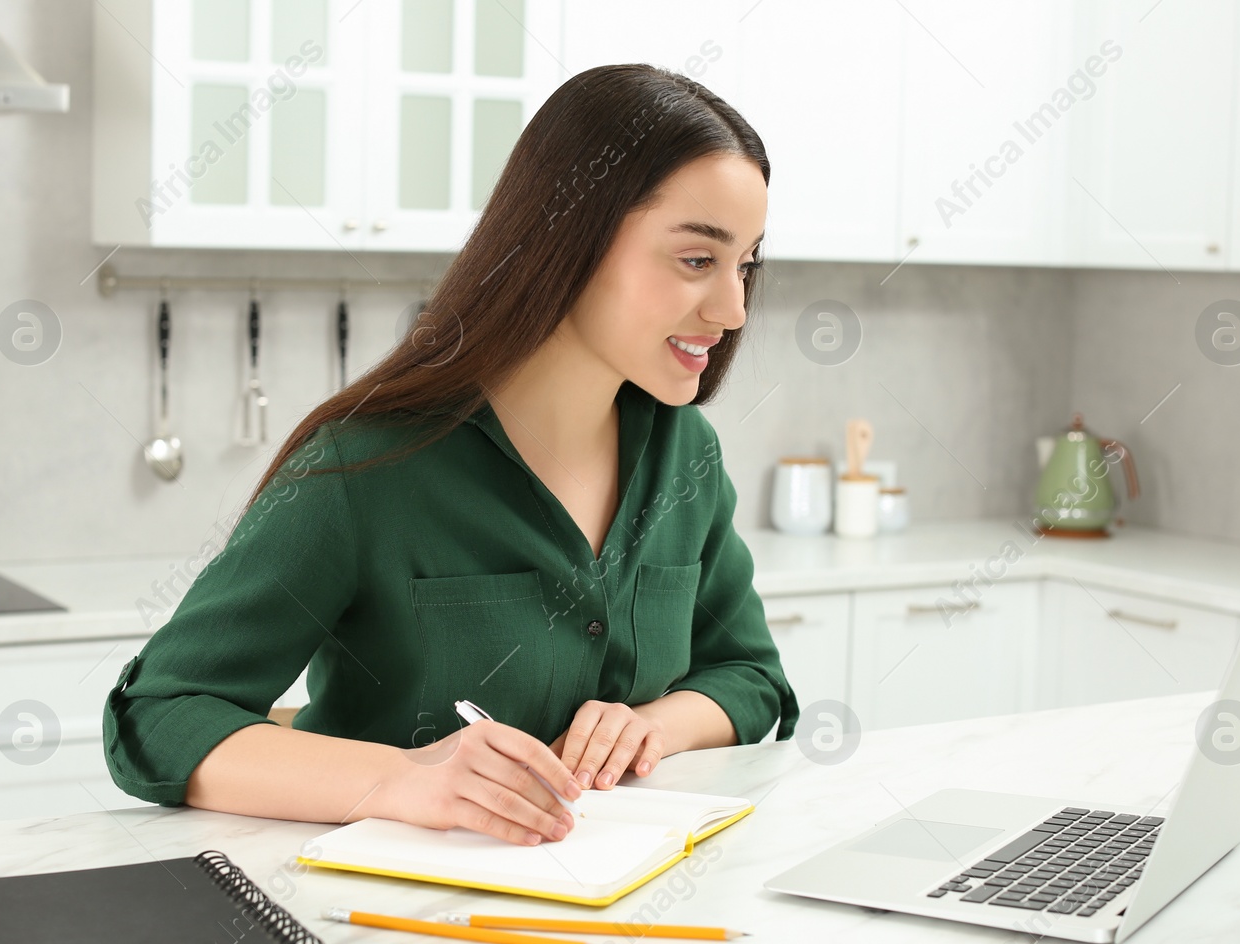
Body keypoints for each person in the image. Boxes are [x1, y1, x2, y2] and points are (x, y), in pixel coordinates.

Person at [102, 63, 799, 848]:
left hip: (631, 914)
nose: (734, 308)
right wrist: (403, 780)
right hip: (400, 936)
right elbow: (158, 715)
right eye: (698, 261)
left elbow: (751, 678)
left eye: (746, 265)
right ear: (570, 237)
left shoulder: (686, 456)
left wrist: (651, 726)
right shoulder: (363, 470)